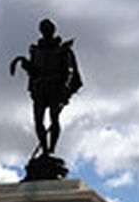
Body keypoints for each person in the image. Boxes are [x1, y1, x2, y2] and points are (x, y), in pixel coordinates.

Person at [9, 18, 83, 158]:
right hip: (40, 89)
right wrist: (24, 63)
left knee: (54, 118)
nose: (46, 31)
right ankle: (44, 149)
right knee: (38, 120)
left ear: (53, 30)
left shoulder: (63, 50)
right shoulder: (36, 50)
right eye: (43, 29)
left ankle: (51, 149)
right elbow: (34, 71)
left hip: (56, 88)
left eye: (48, 29)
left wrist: (65, 90)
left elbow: (69, 71)